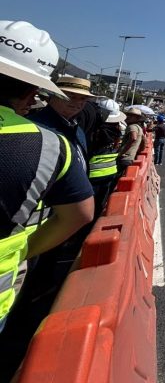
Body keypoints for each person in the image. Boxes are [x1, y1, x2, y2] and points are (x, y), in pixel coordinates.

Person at [0, 20, 94, 335]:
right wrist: (24, 250)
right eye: (70, 98)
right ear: (36, 91)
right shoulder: (46, 140)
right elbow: (81, 212)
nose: (77, 104)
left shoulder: (72, 132)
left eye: (82, 101)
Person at [29, 76, 96, 177]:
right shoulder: (35, 126)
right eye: (71, 96)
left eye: (83, 98)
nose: (78, 102)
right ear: (53, 95)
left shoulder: (77, 130)